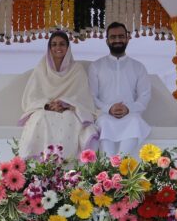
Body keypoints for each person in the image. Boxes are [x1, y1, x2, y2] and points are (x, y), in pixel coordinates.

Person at [18, 30, 97, 160]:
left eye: (61, 44)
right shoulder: (41, 68)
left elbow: (83, 97)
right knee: (40, 118)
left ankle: (65, 160)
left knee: (69, 119)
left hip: (69, 109)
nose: (57, 48)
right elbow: (31, 97)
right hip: (45, 108)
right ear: (49, 48)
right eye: (54, 44)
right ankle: (41, 160)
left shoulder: (77, 69)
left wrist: (65, 103)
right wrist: (48, 105)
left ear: (68, 47)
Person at [88, 22, 151, 157]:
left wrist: (128, 108)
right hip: (104, 115)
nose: (117, 40)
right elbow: (92, 96)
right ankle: (109, 166)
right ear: (107, 41)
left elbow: (144, 96)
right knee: (104, 123)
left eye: (121, 36)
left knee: (135, 122)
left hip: (131, 114)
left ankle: (118, 163)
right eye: (113, 37)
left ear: (128, 38)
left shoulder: (138, 67)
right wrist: (108, 108)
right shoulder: (96, 66)